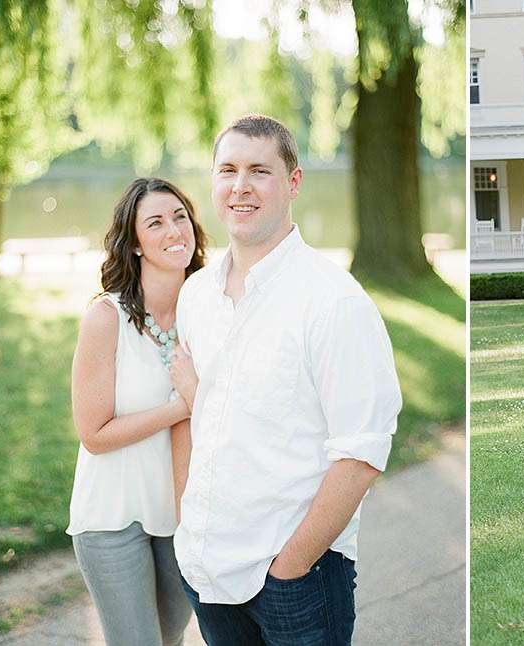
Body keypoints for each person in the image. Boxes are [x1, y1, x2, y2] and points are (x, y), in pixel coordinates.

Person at [169, 114, 402, 645]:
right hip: (207, 568)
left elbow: (362, 453)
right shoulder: (197, 295)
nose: (240, 187)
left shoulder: (332, 301)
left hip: (294, 577)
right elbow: (206, 418)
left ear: (293, 183)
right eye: (227, 170)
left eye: (259, 170)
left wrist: (290, 565)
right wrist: (188, 528)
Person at [68, 178, 207, 645]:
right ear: (135, 245)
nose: (174, 230)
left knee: (170, 639)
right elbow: (95, 433)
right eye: (156, 222)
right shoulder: (107, 319)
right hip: (112, 518)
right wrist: (183, 405)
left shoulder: (206, 315)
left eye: (180, 216)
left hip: (182, 517)